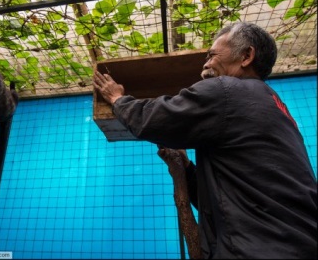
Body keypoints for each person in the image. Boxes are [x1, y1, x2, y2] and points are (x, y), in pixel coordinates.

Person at [93, 22, 317, 259]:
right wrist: (188, 169)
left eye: (212, 55)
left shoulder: (229, 90)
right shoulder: (274, 105)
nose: (205, 63)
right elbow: (233, 197)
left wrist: (118, 99)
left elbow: (151, 119)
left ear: (246, 56)